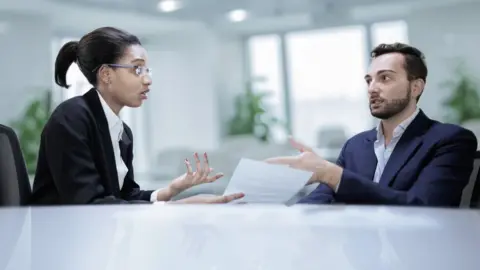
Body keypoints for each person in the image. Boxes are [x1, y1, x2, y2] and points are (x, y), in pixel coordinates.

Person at [30, 27, 244, 205]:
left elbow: (126, 196)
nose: (147, 80)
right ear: (106, 74)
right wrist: (177, 207)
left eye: (147, 71)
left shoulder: (123, 133)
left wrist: (170, 191)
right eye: (137, 70)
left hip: (100, 239)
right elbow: (89, 204)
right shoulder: (72, 118)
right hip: (64, 244)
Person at [266, 42, 477, 207]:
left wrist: (330, 173)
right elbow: (320, 200)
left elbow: (425, 207)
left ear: (415, 88)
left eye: (385, 78)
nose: (372, 88)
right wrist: (271, 215)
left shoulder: (450, 140)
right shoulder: (355, 146)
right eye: (369, 80)